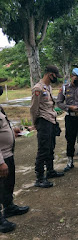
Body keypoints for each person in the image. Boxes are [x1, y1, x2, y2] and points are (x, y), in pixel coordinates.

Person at [0, 79, 29, 233]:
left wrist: (13, 131)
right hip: (1, 157)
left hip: (7, 153)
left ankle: (9, 207)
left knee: (8, 184)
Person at [30, 65, 65, 188]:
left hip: (51, 120)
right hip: (43, 121)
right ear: (50, 74)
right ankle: (39, 177)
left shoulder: (47, 87)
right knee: (43, 149)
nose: (56, 78)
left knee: (50, 147)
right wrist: (35, 123)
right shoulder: (37, 88)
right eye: (55, 76)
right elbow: (34, 108)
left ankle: (50, 171)